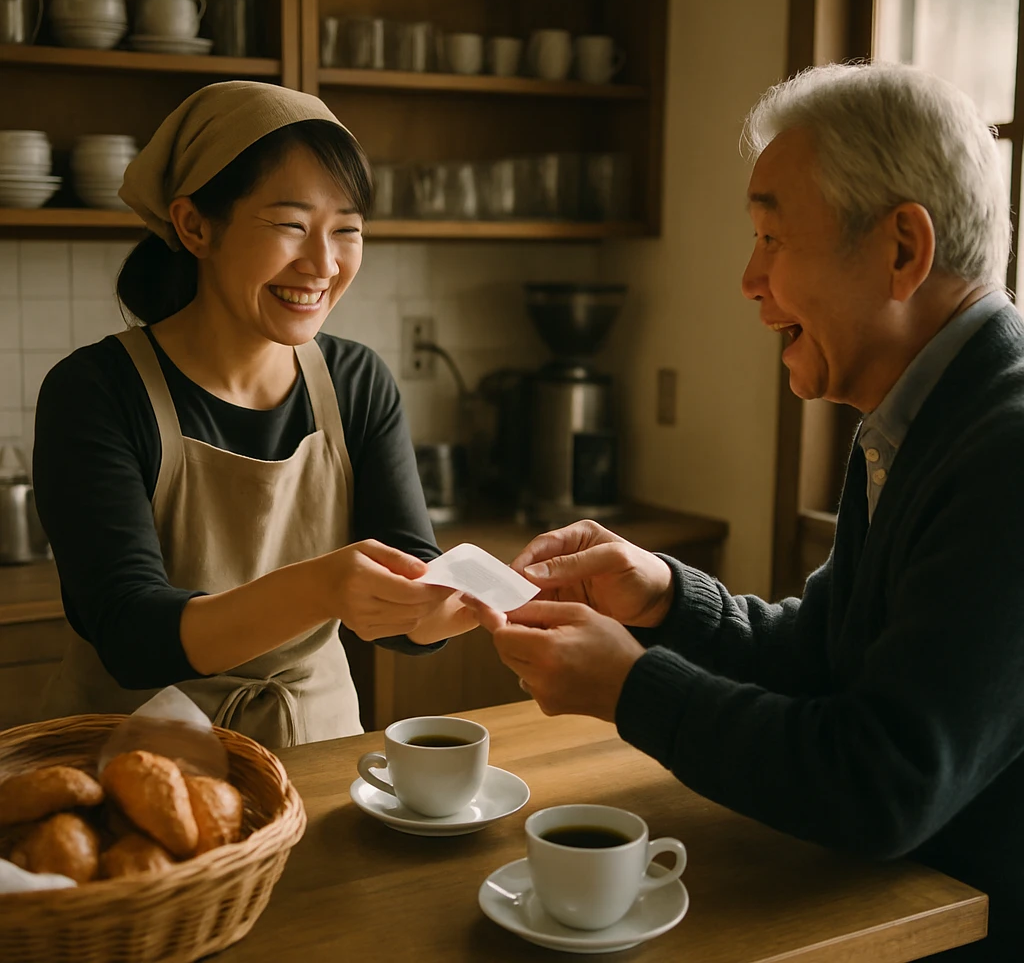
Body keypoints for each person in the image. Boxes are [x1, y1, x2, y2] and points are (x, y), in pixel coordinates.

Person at [479, 62, 1024, 961]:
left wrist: (628, 687)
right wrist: (660, 595)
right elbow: (823, 658)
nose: (747, 279)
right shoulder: (917, 417)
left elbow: (880, 779)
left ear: (901, 250)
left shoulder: (1005, 450)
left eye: (772, 237)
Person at [33, 81, 481, 748]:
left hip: (317, 750)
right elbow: (131, 636)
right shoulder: (96, 391)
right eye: (291, 225)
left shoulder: (357, 382)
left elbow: (408, 576)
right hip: (135, 768)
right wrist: (324, 588)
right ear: (194, 226)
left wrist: (439, 609)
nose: (323, 264)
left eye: (347, 231)